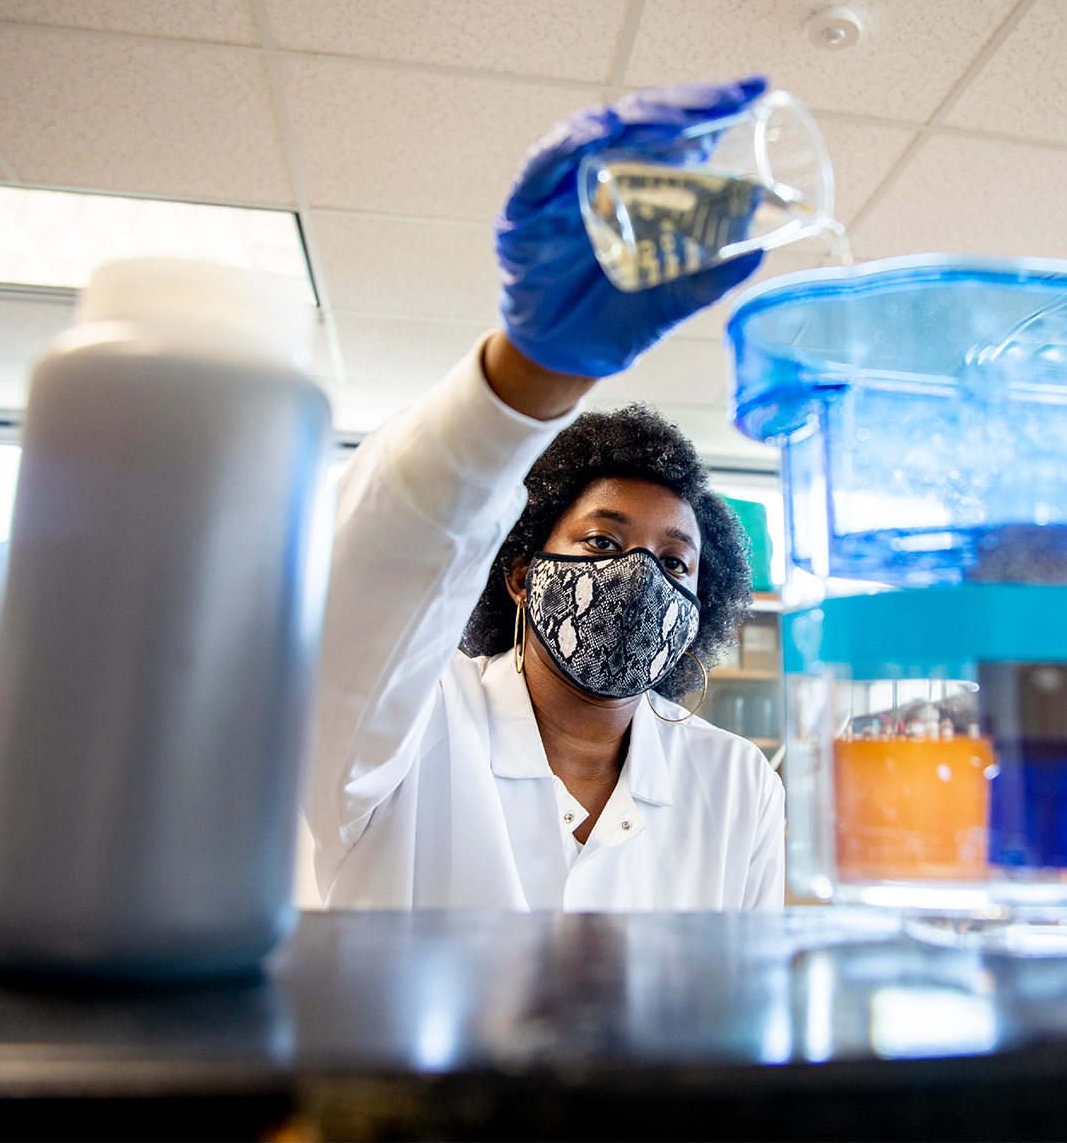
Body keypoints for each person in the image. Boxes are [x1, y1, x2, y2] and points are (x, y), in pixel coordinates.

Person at [306, 77, 786, 910]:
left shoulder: (736, 783)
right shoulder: (411, 730)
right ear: (522, 572)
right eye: (602, 543)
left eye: (676, 564)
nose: (641, 580)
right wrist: (527, 378)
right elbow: (370, 585)